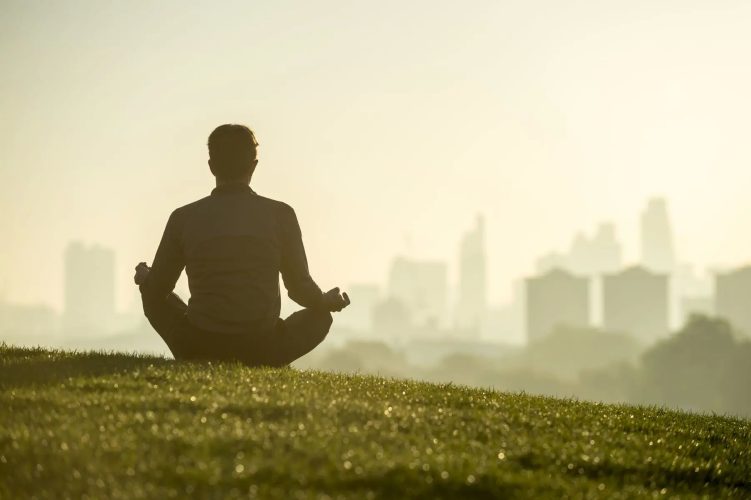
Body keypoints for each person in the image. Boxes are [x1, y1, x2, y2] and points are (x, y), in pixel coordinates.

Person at [134, 124, 350, 366]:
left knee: (151, 294)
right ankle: (266, 361)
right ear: (254, 166)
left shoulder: (183, 218)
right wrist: (323, 301)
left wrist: (146, 278)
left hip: (198, 344)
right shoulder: (281, 215)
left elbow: (157, 291)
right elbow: (299, 289)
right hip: (264, 347)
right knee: (321, 317)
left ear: (211, 166)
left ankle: (196, 358)